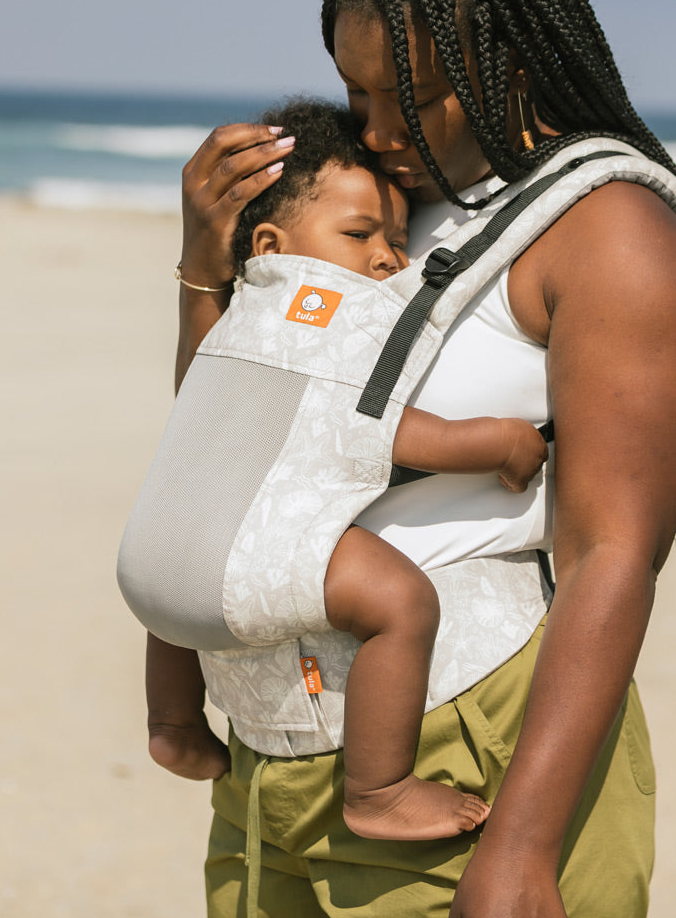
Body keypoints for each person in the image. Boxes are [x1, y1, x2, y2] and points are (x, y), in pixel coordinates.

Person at [165, 0, 676, 918]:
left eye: (410, 92)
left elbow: (613, 554)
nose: (375, 127)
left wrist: (522, 846)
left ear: (511, 62)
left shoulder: (608, 233)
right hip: (271, 767)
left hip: (466, 759)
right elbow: (230, 445)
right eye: (355, 90)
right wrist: (206, 270)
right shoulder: (375, 204)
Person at [132, 98, 548, 842]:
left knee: (188, 568)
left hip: (154, 563)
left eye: (395, 239)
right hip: (259, 557)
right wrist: (497, 442)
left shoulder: (234, 314)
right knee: (400, 602)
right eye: (360, 235)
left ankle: (172, 724)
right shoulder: (314, 311)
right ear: (271, 242)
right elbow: (377, 423)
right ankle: (379, 788)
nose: (389, 258)